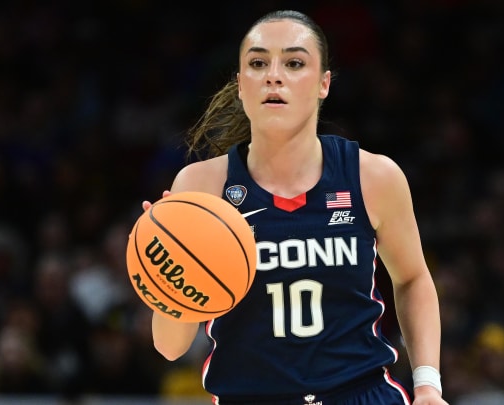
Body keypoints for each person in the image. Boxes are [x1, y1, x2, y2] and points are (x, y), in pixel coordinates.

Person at [142, 10, 447, 405]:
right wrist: (169, 270)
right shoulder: (200, 186)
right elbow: (170, 347)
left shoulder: (374, 176)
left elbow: (412, 279)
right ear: (239, 85)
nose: (273, 75)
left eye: (294, 62)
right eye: (257, 63)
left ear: (324, 84)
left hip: (359, 394)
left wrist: (427, 386)